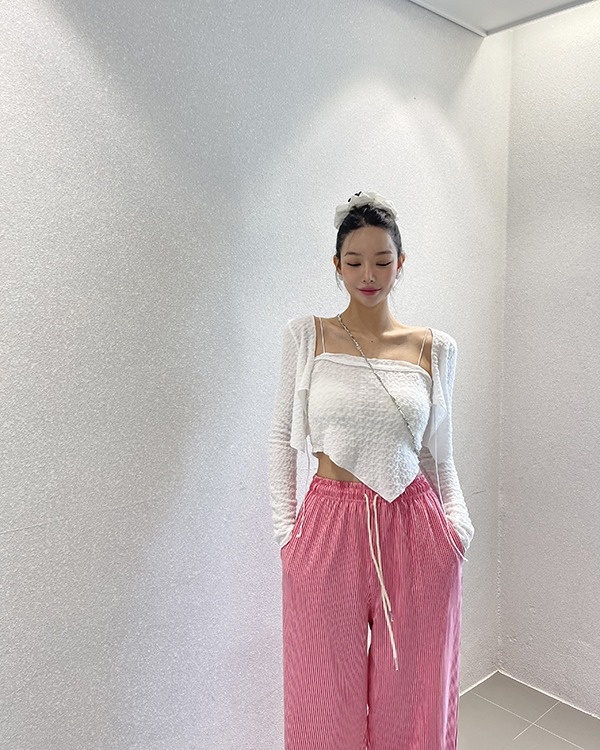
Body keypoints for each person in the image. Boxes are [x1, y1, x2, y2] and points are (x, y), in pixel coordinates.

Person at [268, 190, 475, 750]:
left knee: (411, 699)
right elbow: (281, 440)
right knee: (322, 699)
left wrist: (457, 528)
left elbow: (439, 455)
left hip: (414, 525)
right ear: (337, 265)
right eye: (355, 261)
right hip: (327, 528)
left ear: (400, 263)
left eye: (382, 261)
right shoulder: (307, 336)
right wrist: (288, 535)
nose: (368, 275)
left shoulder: (435, 349)